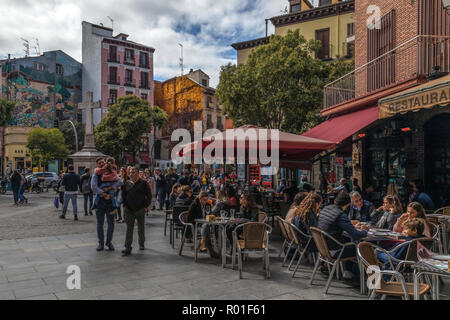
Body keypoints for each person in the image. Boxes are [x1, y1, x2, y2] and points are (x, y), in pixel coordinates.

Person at [317, 191, 369, 279]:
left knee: (349, 241)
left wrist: (351, 226)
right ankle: (359, 276)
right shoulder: (341, 215)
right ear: (348, 204)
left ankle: (347, 271)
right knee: (361, 249)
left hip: (322, 247)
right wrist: (365, 231)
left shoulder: (326, 208)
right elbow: (355, 235)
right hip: (334, 250)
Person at [91, 157, 123, 251]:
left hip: (110, 202)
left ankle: (109, 242)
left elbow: (120, 181)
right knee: (99, 223)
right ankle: (100, 243)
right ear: (97, 165)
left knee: (111, 223)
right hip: (100, 202)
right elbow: (93, 187)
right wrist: (103, 193)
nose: (101, 164)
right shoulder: (96, 175)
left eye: (103, 162)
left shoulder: (111, 171)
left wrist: (110, 188)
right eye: (100, 163)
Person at [121, 167, 152, 256]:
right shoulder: (126, 183)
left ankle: (141, 243)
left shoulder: (143, 183)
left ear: (138, 173)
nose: (131, 174)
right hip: (129, 210)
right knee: (129, 229)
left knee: (141, 228)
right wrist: (125, 206)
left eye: (133, 172)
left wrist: (145, 206)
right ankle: (127, 247)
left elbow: (149, 195)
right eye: (130, 172)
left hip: (140, 209)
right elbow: (123, 195)